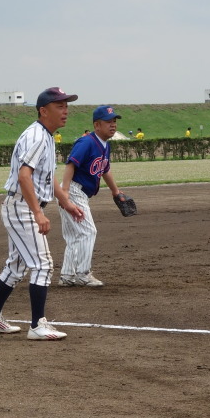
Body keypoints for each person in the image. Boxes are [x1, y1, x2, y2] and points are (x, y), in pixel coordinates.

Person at [0, 87, 85, 341]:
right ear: (43, 111)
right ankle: (38, 325)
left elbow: (47, 177)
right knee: (42, 264)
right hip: (22, 206)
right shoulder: (37, 136)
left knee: (17, 265)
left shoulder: (45, 135)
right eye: (59, 106)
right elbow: (24, 176)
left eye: (66, 106)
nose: (65, 111)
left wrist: (67, 203)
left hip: (21, 205)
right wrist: (38, 212)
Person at [59, 105, 127, 287]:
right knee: (88, 231)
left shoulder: (105, 145)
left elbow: (105, 169)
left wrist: (115, 191)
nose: (113, 125)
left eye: (114, 121)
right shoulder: (86, 142)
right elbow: (71, 164)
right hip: (73, 190)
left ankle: (67, 276)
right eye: (108, 121)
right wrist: (64, 192)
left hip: (77, 192)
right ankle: (83, 274)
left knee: (74, 236)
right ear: (97, 125)